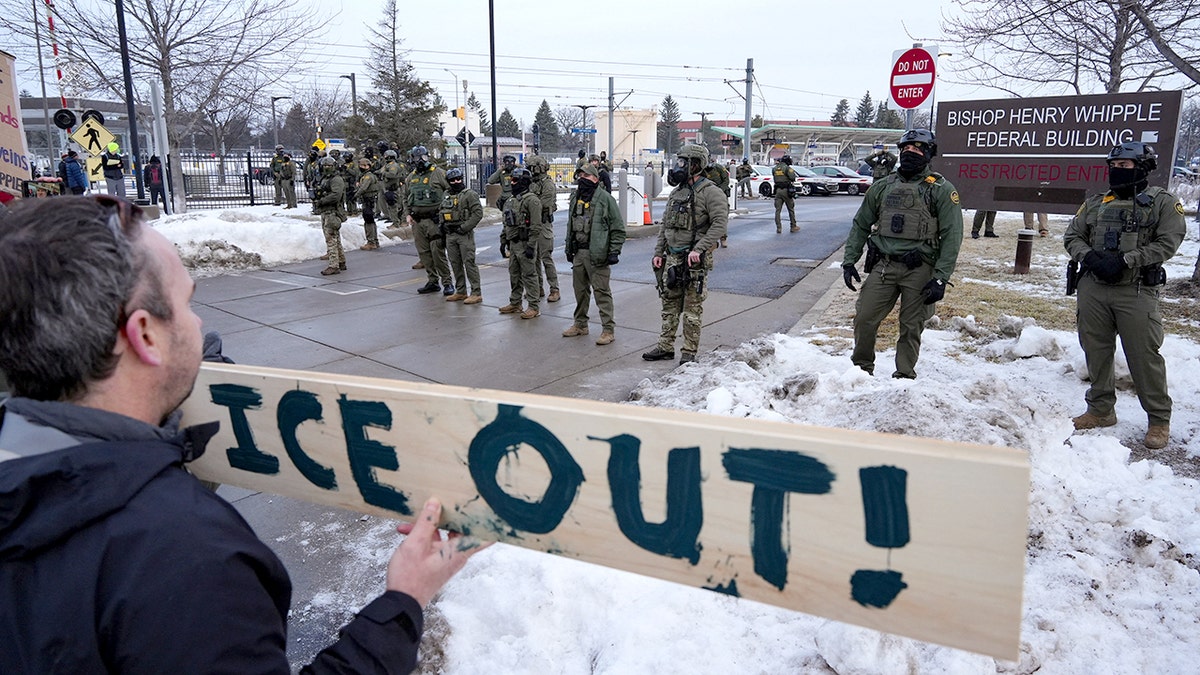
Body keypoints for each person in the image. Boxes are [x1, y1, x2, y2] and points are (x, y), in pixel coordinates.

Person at [0, 195, 486, 674]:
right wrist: (404, 599)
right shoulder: (189, 559)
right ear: (145, 336)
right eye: (187, 303)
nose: (198, 324)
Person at [1063, 142, 1185, 450]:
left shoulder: (1162, 203)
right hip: (1094, 287)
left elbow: (1168, 243)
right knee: (1095, 349)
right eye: (1114, 166)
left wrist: (1126, 260)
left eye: (1125, 166)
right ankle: (1100, 409)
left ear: (1142, 168)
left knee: (1144, 356)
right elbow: (1072, 235)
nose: (1117, 171)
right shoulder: (1096, 203)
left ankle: (1158, 419)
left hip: (1136, 289)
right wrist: (1089, 257)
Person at [841, 129, 963, 379]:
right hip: (884, 266)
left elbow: (952, 235)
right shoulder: (882, 187)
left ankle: (904, 375)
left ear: (928, 154)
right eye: (906, 148)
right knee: (864, 318)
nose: (910, 153)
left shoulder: (940, 189)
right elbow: (861, 224)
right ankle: (861, 370)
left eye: (917, 149)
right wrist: (849, 260)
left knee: (911, 325)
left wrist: (941, 277)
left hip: (920, 269)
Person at [643, 143, 728, 364]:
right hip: (672, 257)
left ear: (697, 164)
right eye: (678, 162)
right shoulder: (677, 192)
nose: (679, 166)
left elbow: (720, 224)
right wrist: (659, 252)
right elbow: (665, 226)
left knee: (692, 309)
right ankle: (665, 346)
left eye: (684, 162)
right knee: (669, 304)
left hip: (694, 261)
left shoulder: (711, 192)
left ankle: (689, 353)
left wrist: (699, 248)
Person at [562, 163, 625, 345]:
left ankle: (608, 329)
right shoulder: (576, 198)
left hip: (598, 254)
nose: (582, 179)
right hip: (579, 253)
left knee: (601, 293)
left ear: (596, 179)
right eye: (580, 176)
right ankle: (580, 324)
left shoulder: (606, 199)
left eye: (587, 176)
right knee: (580, 291)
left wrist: (614, 251)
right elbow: (571, 225)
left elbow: (618, 228)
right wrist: (569, 249)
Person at [404, 146, 453, 295]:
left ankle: (447, 282)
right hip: (418, 221)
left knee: (437, 252)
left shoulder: (438, 173)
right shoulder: (411, 177)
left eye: (423, 157)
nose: (420, 161)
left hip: (434, 220)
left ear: (428, 157)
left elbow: (451, 192)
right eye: (417, 158)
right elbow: (405, 198)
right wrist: (408, 214)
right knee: (424, 253)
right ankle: (432, 281)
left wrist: (445, 213)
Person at [498, 168, 543, 319]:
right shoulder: (511, 201)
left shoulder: (532, 200)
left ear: (523, 182)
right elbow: (506, 222)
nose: (512, 183)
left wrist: (531, 245)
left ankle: (534, 306)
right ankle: (515, 302)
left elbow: (536, 226)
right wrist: (503, 241)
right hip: (514, 244)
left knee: (529, 275)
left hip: (525, 243)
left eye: (515, 180)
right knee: (514, 274)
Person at [440, 167, 484, 304]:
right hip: (450, 234)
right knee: (455, 263)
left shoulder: (469, 194)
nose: (456, 182)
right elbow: (441, 210)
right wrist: (443, 226)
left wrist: (464, 228)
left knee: (469, 262)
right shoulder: (446, 194)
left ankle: (476, 292)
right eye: (453, 180)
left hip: (464, 234)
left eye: (458, 179)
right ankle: (461, 291)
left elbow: (477, 214)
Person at [526, 155, 560, 303]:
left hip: (544, 224)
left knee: (546, 258)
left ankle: (554, 289)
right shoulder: (532, 183)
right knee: (533, 259)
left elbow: (541, 204)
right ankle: (537, 288)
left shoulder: (548, 185)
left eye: (531, 167)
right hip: (533, 224)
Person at [313, 155, 348, 276]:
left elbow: (336, 196)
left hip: (332, 211)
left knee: (331, 238)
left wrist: (322, 201)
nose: (327, 167)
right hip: (326, 211)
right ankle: (341, 261)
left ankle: (334, 265)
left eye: (329, 165)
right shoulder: (325, 178)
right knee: (335, 238)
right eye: (325, 165)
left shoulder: (336, 179)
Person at [702, 158, 731, 247]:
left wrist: (719, 191)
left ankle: (723, 238)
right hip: (707, 195)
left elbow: (726, 180)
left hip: (721, 194)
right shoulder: (701, 170)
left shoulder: (718, 168)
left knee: (721, 217)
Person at [356, 157, 382, 250]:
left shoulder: (368, 176)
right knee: (370, 220)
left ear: (368, 166)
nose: (362, 167)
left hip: (369, 200)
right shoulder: (364, 176)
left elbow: (363, 188)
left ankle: (371, 242)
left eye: (364, 165)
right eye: (361, 165)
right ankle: (374, 241)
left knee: (368, 220)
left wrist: (356, 195)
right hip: (368, 200)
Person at [773, 155, 798, 234]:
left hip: (778, 190)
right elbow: (793, 178)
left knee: (777, 210)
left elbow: (774, 177)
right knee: (790, 209)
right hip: (786, 191)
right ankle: (793, 226)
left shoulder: (775, 168)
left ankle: (778, 228)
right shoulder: (787, 168)